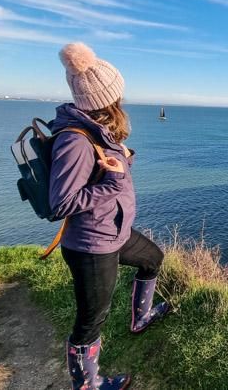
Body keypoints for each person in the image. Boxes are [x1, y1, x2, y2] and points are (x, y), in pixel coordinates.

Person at [49, 42, 170, 390]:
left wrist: (122, 162)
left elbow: (102, 175)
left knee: (153, 258)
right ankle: (87, 384)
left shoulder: (97, 130)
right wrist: (115, 179)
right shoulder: (75, 141)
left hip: (114, 231)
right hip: (92, 245)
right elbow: (62, 203)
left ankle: (141, 316)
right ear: (108, 97)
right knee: (91, 320)